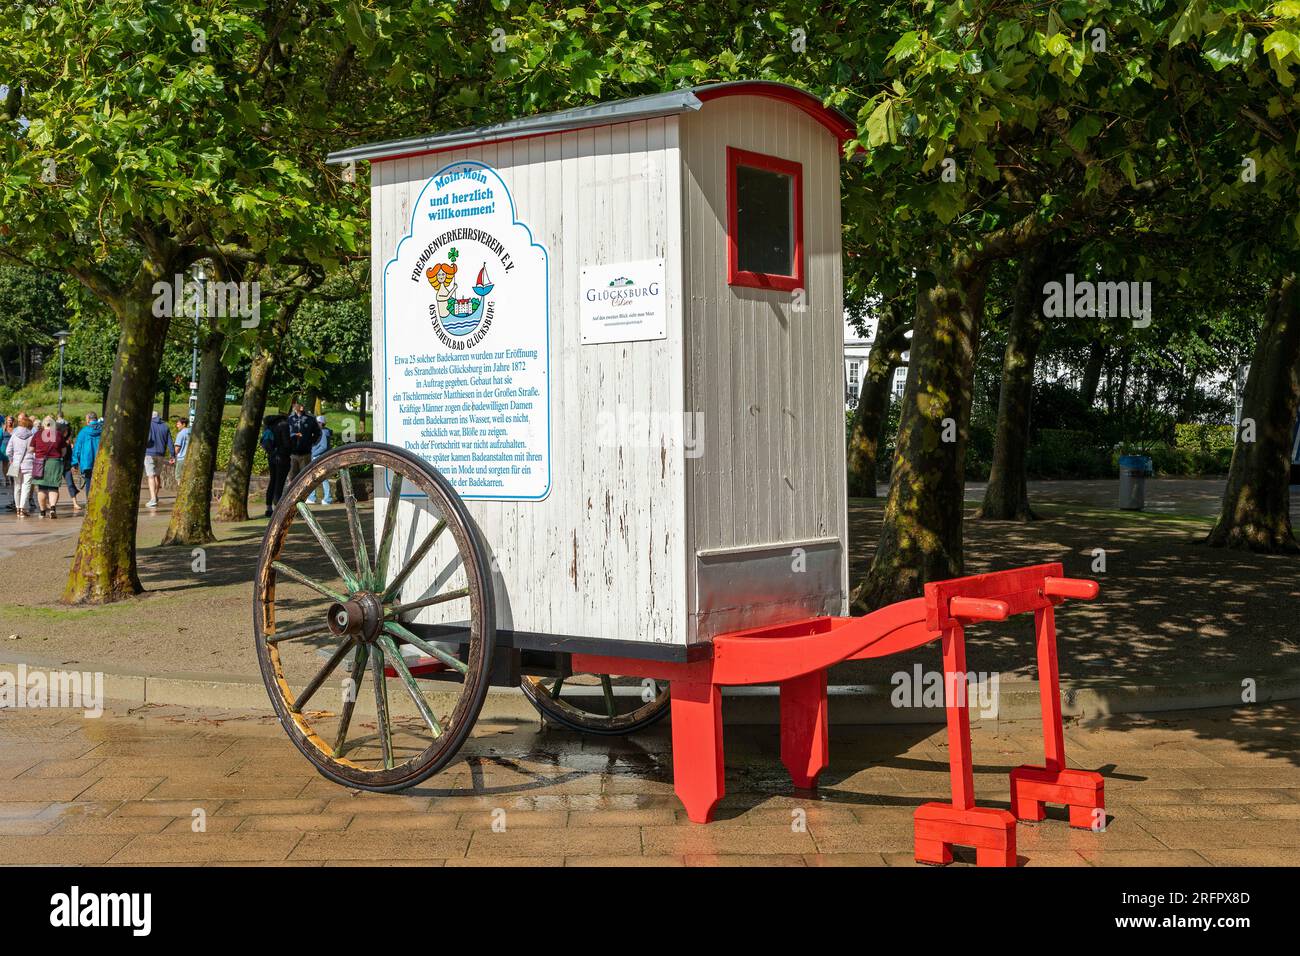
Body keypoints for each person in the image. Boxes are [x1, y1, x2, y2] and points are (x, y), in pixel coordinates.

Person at [31, 416, 68, 518]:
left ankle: (42, 512)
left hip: (40, 463)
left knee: (41, 488)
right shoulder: (59, 435)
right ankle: (52, 509)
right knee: (53, 487)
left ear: (43, 424)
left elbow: (30, 449)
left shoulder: (37, 434)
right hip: (55, 463)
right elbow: (64, 452)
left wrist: (38, 452)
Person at [284, 402, 321, 486]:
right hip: (292, 454)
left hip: (305, 454)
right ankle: (292, 498)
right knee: (291, 479)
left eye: (303, 404)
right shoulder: (289, 419)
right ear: (294, 405)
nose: (302, 406)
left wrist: (310, 442)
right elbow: (285, 434)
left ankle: (304, 498)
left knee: (305, 479)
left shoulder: (310, 419)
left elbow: (318, 433)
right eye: (300, 404)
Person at [143, 411, 175, 508]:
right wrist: (172, 455)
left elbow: (147, 439)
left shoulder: (148, 425)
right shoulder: (165, 426)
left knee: (151, 476)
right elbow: (170, 442)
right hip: (161, 454)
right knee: (157, 475)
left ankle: (153, 499)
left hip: (149, 453)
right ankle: (155, 496)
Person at [261, 414, 291, 517]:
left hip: (272, 457)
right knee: (280, 483)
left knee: (272, 481)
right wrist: (295, 440)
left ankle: (268, 508)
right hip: (282, 457)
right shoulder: (284, 425)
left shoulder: (269, 426)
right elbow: (287, 444)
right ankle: (278, 508)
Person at [6, 415, 34, 517]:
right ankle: (23, 509)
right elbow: (33, 451)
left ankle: (18, 509)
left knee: (17, 487)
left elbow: (8, 451)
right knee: (26, 487)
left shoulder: (14, 435)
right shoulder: (31, 436)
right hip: (28, 464)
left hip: (16, 463)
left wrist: (12, 460)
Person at [71, 412, 102, 504]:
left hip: (87, 462)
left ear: (88, 420)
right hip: (100, 461)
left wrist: (74, 463)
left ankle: (90, 503)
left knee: (89, 483)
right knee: (100, 482)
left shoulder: (83, 432)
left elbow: (77, 448)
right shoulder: (103, 429)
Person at [305, 415, 334, 505]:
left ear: (321, 423)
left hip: (318, 457)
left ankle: (326, 498)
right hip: (319, 457)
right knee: (316, 477)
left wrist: (313, 454)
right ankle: (314, 497)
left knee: (320, 478)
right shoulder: (323, 432)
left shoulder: (323, 432)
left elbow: (324, 446)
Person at [58, 420, 81, 514]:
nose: (66, 432)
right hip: (58, 465)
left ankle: (75, 503)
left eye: (67, 431)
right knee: (54, 485)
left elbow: (71, 454)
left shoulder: (68, 441)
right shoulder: (57, 439)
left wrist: (73, 465)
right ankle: (51, 503)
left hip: (66, 466)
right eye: (65, 431)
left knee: (70, 483)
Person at [174, 416, 190, 483]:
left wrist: (174, 456)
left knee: (179, 477)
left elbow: (177, 447)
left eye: (178, 424)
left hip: (181, 458)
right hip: (189, 458)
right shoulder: (191, 432)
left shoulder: (181, 434)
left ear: (183, 424)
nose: (177, 426)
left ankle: (181, 492)